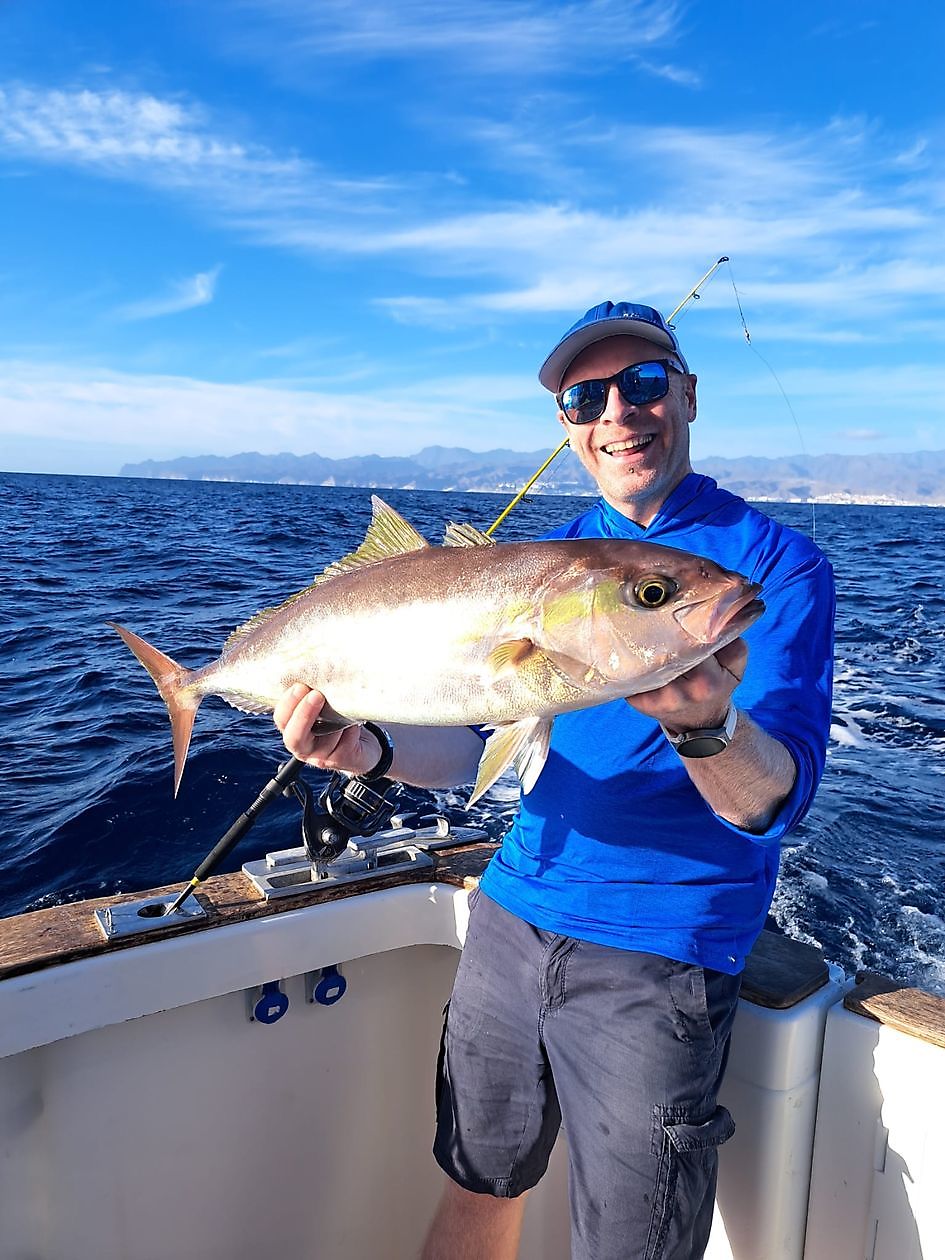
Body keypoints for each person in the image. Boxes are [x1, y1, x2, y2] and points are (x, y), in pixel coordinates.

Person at [274, 301, 835, 1260]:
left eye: (643, 383)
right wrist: (367, 752)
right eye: (586, 397)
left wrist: (706, 725)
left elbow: (770, 801)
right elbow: (473, 749)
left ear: (687, 395)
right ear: (567, 424)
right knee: (476, 1184)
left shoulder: (773, 568)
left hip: (659, 952)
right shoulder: (545, 557)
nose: (618, 412)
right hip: (509, 915)